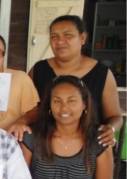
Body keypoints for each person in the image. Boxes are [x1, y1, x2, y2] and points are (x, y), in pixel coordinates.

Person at [29, 15, 122, 147]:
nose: (60, 41)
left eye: (68, 35)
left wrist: (110, 129)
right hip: (43, 147)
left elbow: (115, 116)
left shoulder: (101, 73)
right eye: (54, 36)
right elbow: (27, 110)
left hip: (88, 148)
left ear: (82, 38)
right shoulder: (38, 70)